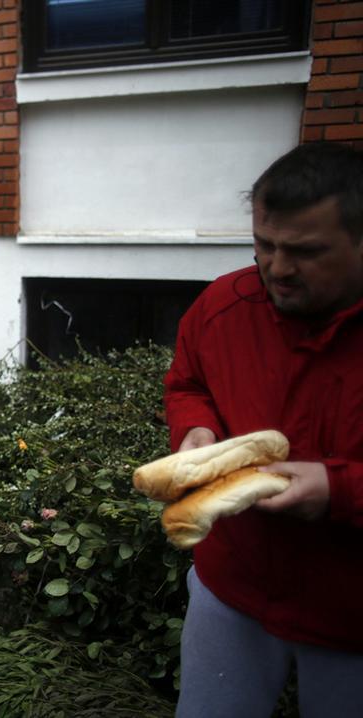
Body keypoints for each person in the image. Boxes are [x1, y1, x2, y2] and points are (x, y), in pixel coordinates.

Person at [165, 141, 363, 716]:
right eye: (263, 244)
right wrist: (195, 429)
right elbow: (187, 383)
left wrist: (338, 490)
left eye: (304, 251)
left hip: (352, 618)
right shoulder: (224, 304)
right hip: (231, 589)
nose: (276, 268)